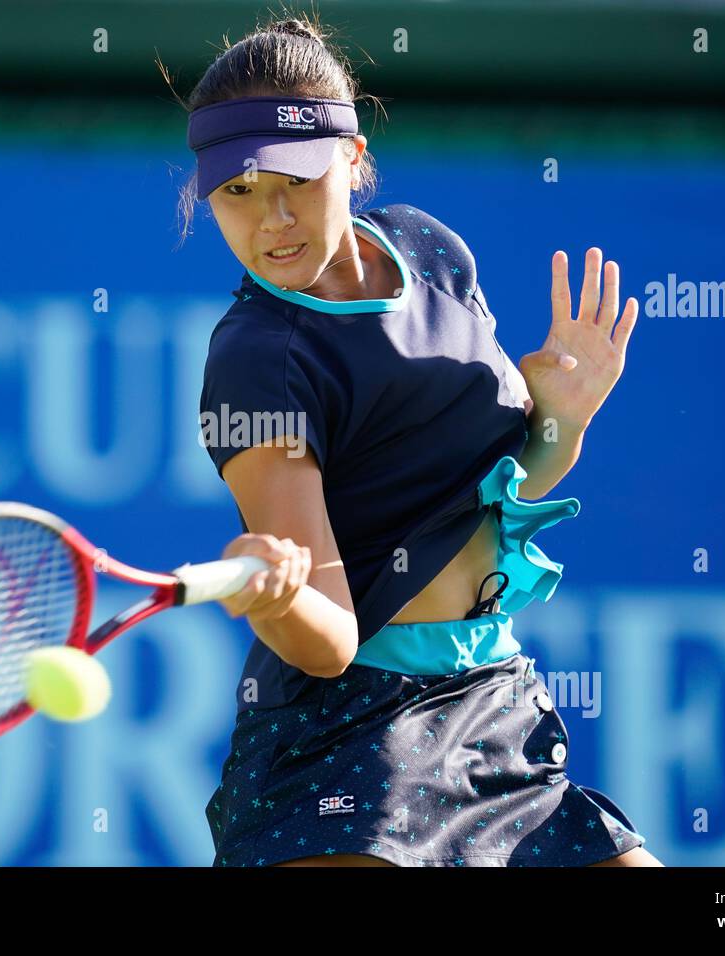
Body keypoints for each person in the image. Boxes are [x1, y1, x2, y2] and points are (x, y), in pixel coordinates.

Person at [172, 11, 662, 867]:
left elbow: (509, 482)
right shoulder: (257, 360)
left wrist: (563, 414)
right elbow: (325, 644)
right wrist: (281, 598)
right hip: (349, 736)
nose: (272, 220)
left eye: (296, 180)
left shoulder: (425, 247)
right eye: (238, 193)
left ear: (352, 160)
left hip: (494, 700)